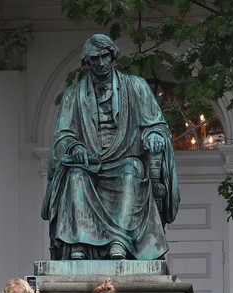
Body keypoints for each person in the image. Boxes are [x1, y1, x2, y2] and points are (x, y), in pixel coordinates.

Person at [41, 33, 180, 260]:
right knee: (75, 176)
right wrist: (75, 147)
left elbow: (156, 124)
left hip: (125, 160)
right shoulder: (73, 95)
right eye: (95, 59)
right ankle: (80, 243)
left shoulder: (136, 87)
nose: (101, 63)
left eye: (105, 56)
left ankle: (120, 242)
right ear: (87, 62)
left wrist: (154, 135)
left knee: (131, 173)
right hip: (89, 164)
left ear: (113, 55)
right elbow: (62, 136)